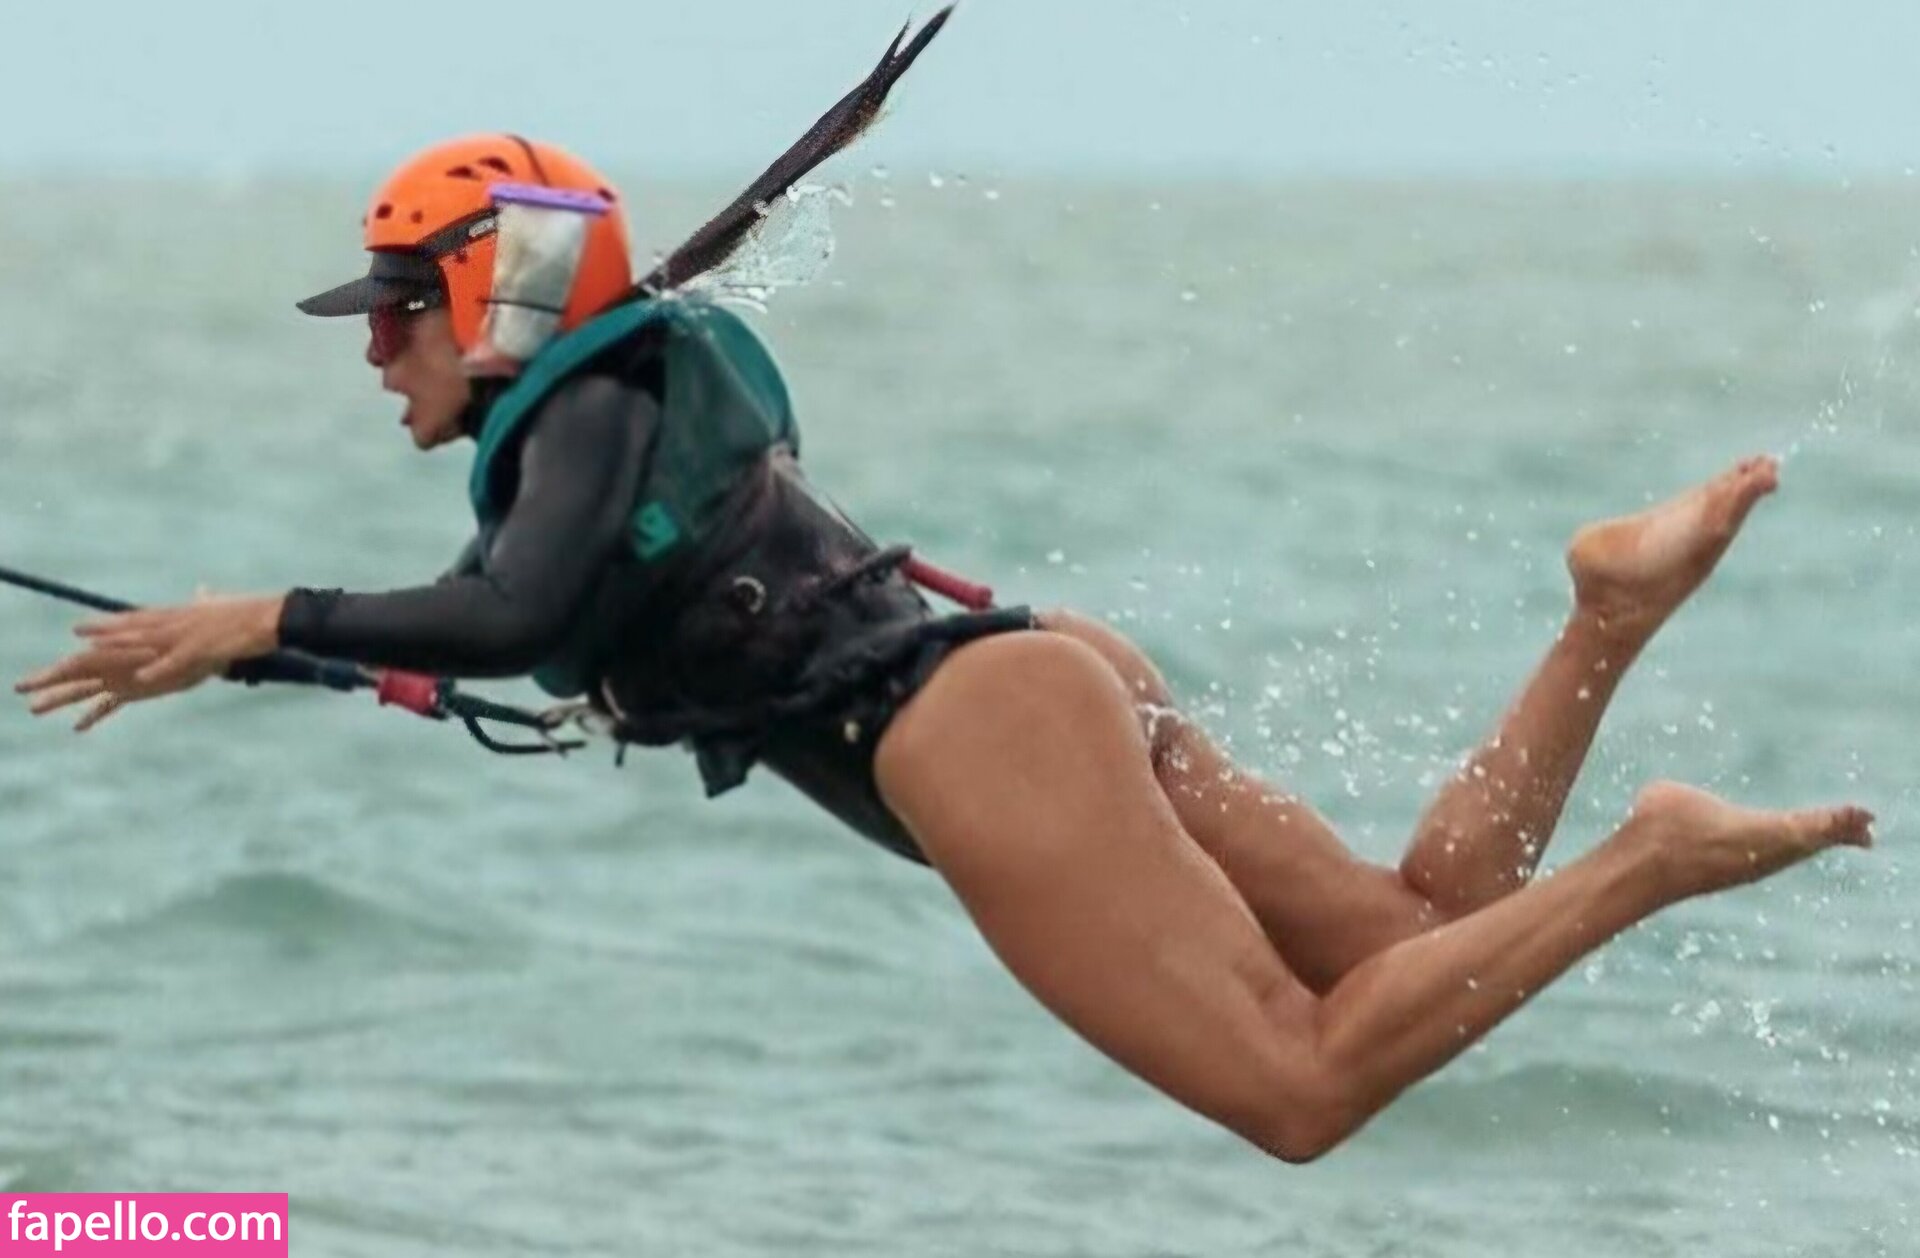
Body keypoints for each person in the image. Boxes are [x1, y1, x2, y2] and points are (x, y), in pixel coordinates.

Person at [12, 122, 1874, 1162]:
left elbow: (511, 620)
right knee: (1407, 948)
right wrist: (247, 649)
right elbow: (501, 618)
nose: (373, 349)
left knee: (1303, 1085)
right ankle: (1603, 619)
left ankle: (1650, 855)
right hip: (1028, 674)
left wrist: (265, 611)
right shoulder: (593, 420)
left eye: (398, 309)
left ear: (496, 290)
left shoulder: (576, 415)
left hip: (974, 729)